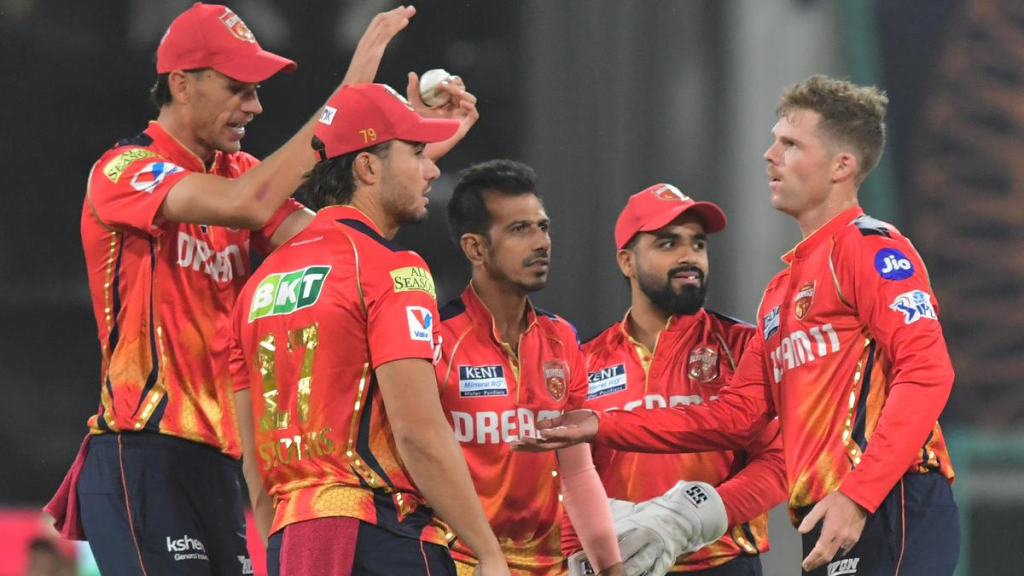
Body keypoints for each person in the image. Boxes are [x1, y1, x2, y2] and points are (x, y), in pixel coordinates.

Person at [45, 4, 477, 575]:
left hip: (222, 462)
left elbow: (339, 232)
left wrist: (405, 151)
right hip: (143, 450)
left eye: (255, 90)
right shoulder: (124, 170)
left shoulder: (240, 172)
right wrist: (343, 101)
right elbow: (245, 203)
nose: (255, 106)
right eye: (237, 89)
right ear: (181, 83)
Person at [521, 76, 959, 576]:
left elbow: (928, 373)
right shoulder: (779, 292)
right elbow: (735, 416)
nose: (770, 156)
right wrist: (603, 424)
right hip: (827, 513)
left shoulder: (870, 247)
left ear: (842, 166)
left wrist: (859, 495)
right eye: (774, 142)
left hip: (890, 499)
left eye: (790, 145)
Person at [230, 83, 507, 576]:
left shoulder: (256, 288)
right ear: (368, 168)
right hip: (382, 534)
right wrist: (487, 552)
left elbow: (254, 464)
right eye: (417, 153)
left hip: (291, 540)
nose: (432, 169)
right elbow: (418, 432)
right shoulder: (392, 268)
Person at [562, 184, 787, 576]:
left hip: (722, 564)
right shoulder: (584, 360)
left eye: (698, 244)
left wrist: (687, 520)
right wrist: (579, 553)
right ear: (627, 262)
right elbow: (568, 478)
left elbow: (779, 461)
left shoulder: (743, 346)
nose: (690, 257)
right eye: (668, 244)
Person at [438, 160, 624, 576]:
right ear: (475, 248)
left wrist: (612, 569)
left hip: (548, 565)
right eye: (520, 229)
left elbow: (578, 472)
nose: (541, 242)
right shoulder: (435, 339)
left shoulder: (562, 338)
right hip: (460, 563)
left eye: (543, 227)